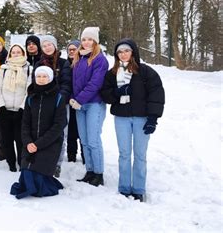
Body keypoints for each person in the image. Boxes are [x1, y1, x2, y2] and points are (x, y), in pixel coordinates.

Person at [101, 39, 165, 202]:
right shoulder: (112, 73)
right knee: (124, 154)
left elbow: (156, 94)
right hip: (121, 118)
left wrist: (153, 118)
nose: (123, 54)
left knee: (140, 154)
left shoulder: (145, 72)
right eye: (120, 52)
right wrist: (118, 92)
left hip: (142, 118)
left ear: (133, 52)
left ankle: (138, 188)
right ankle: (123, 187)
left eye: (126, 51)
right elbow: (105, 95)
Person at [10, 66, 66, 199]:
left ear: (50, 78)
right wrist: (28, 142)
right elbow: (25, 123)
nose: (41, 79)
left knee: (39, 180)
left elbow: (59, 125)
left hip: (49, 143)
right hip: (30, 142)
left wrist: (38, 144)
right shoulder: (31, 97)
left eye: (44, 76)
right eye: (38, 76)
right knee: (27, 172)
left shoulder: (58, 98)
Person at [70, 27, 109, 186]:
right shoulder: (78, 58)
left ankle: (99, 174)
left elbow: (95, 83)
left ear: (95, 41)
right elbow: (75, 83)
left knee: (93, 140)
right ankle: (90, 171)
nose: (86, 42)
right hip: (80, 105)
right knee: (85, 141)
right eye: (84, 39)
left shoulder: (100, 59)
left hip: (94, 104)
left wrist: (79, 99)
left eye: (90, 39)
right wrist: (73, 98)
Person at [33, 34, 72, 178]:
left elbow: (67, 84)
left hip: (60, 104)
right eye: (44, 45)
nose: (47, 47)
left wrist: (59, 99)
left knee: (60, 133)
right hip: (43, 104)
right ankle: (44, 161)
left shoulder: (63, 63)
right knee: (43, 133)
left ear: (55, 46)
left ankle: (57, 164)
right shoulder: (38, 64)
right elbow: (35, 84)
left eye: (49, 44)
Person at [0, 44, 31, 172]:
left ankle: (21, 162)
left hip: (21, 112)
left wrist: (22, 108)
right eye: (13, 52)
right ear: (9, 55)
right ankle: (11, 163)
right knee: (6, 140)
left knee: (20, 140)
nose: (15, 54)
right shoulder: (3, 70)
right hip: (5, 111)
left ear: (23, 53)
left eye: (18, 52)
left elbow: (29, 91)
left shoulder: (29, 69)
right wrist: (1, 107)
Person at [65, 40, 85, 163]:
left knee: (83, 131)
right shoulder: (65, 64)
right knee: (71, 130)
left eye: (74, 49)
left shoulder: (84, 63)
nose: (72, 51)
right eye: (70, 49)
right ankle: (71, 156)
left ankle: (85, 157)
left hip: (82, 100)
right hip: (69, 101)